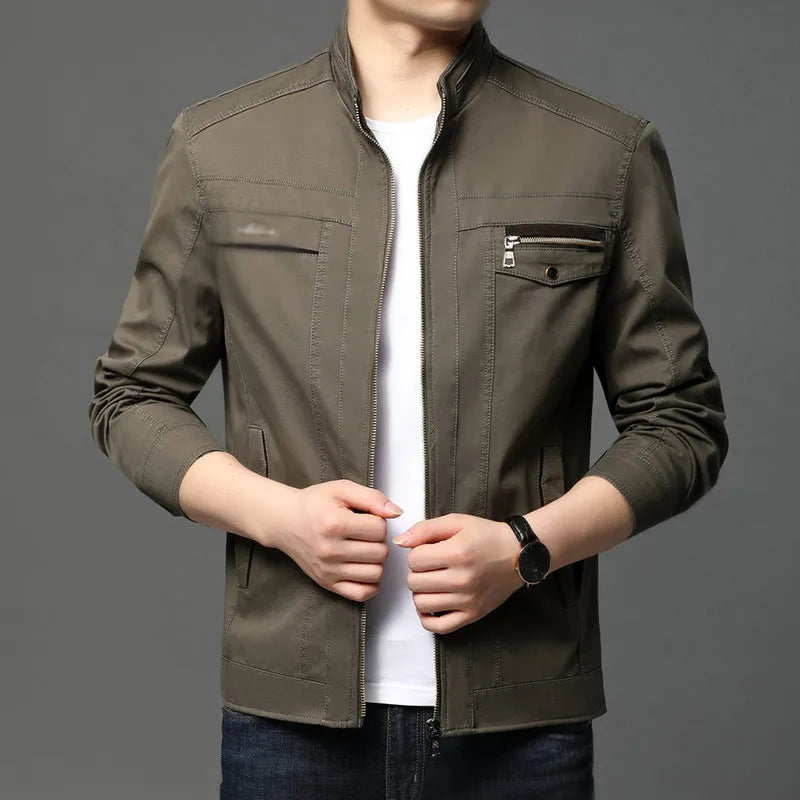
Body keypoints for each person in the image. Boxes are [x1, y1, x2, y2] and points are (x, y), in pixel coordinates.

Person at [87, 1, 729, 797]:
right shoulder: (221, 146)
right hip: (289, 725)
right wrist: (279, 518)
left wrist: (526, 549)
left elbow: (680, 420)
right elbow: (134, 393)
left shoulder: (603, 152)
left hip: (523, 722)